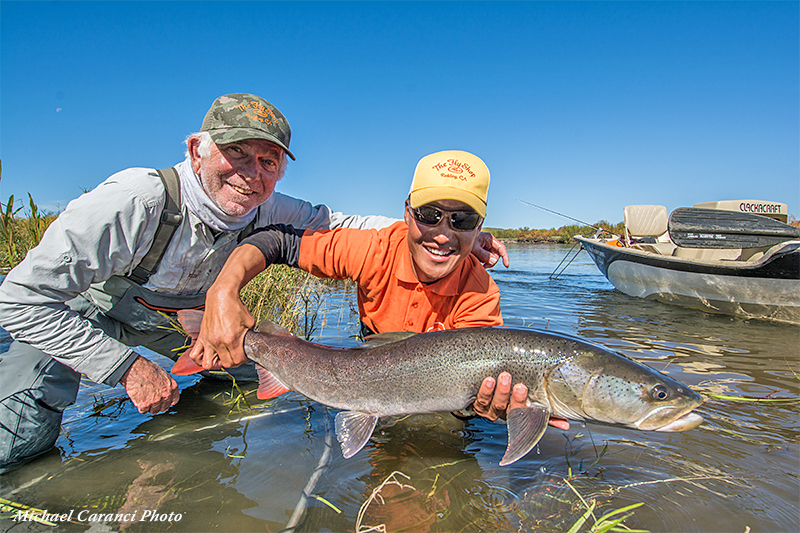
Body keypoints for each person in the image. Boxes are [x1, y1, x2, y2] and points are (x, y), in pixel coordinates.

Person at [0, 94, 509, 473]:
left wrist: (455, 233)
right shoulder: (133, 199)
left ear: (281, 169)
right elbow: (18, 302)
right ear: (197, 149)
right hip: (74, 314)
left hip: (184, 322)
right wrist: (126, 368)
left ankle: (186, 464)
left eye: (268, 161)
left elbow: (352, 223)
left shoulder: (272, 206)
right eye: (236, 153)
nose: (251, 173)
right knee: (18, 438)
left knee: (254, 389)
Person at [188, 150, 569, 427]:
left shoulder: (481, 294)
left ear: (479, 224)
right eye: (430, 215)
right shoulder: (374, 247)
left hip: (426, 395)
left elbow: (463, 400)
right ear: (407, 212)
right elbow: (278, 242)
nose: (442, 234)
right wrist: (222, 291)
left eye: (463, 220)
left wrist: (478, 407)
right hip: (366, 366)